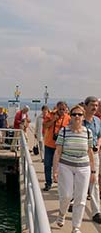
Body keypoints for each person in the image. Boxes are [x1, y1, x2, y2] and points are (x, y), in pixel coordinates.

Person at [53, 104, 95, 233]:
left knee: (81, 198)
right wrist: (55, 170)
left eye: (79, 114)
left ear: (83, 117)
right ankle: (62, 213)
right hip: (66, 165)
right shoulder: (64, 131)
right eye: (74, 114)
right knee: (66, 195)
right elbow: (58, 152)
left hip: (83, 167)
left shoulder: (88, 132)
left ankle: (76, 227)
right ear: (70, 116)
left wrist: (93, 171)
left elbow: (90, 152)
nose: (77, 116)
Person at [43, 101, 70, 191]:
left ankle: (60, 183)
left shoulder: (68, 118)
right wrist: (53, 120)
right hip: (49, 144)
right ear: (57, 108)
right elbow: (45, 125)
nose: (62, 111)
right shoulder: (50, 115)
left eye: (63, 109)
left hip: (61, 146)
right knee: (47, 165)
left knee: (61, 166)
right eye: (60, 109)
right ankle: (48, 182)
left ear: (66, 109)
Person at [83, 96, 101, 224]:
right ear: (85, 106)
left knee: (94, 183)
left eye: (96, 105)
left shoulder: (97, 121)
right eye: (92, 105)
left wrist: (98, 145)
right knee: (79, 182)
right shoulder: (79, 120)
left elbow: (99, 136)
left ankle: (96, 212)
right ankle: (73, 202)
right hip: (81, 155)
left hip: (94, 155)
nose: (95, 108)